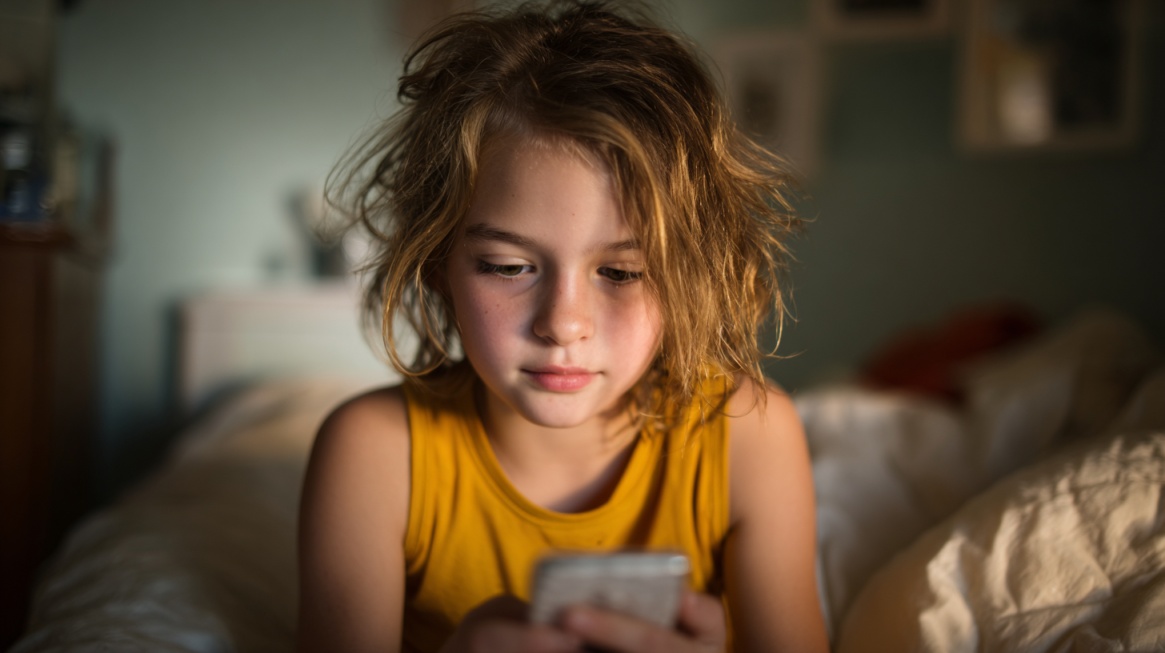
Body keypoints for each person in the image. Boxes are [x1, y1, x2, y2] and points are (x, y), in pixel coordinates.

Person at [296, 1, 828, 651]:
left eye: (623, 272)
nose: (563, 324)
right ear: (437, 262)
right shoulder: (375, 453)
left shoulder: (752, 437)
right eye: (508, 265)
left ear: (687, 271)